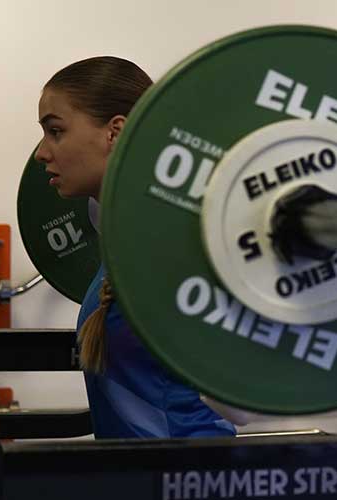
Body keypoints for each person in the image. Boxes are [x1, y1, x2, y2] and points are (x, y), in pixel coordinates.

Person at [34, 56, 240, 438]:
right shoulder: (117, 233)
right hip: (135, 477)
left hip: (188, 475)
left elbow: (241, 403)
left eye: (55, 131)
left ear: (115, 132)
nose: (41, 153)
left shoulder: (171, 245)